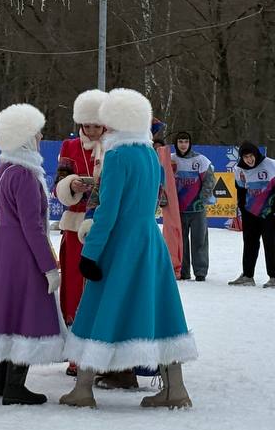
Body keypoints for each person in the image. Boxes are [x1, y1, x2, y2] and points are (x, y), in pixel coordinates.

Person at [61, 89, 198, 409]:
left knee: (98, 310)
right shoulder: (150, 154)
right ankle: (175, 388)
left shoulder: (118, 156)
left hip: (120, 244)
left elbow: (107, 210)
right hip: (150, 242)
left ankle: (83, 389)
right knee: (161, 311)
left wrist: (90, 252)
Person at [0, 103, 64, 405]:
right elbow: (33, 226)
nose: (40, 137)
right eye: (36, 133)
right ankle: (15, 385)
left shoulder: (7, 168)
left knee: (7, 308)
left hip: (5, 247)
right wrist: (49, 267)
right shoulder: (23, 174)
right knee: (26, 313)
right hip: (23, 252)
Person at [54, 90, 105, 326]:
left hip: (105, 224)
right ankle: (74, 337)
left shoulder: (114, 147)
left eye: (97, 125)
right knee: (74, 281)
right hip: (75, 225)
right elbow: (57, 185)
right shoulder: (70, 146)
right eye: (87, 125)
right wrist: (71, 185)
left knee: (102, 281)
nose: (92, 131)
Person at [230, 140, 275, 288]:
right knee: (249, 244)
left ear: (256, 154)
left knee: (269, 244)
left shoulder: (271, 166)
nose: (249, 160)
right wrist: (242, 208)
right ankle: (248, 275)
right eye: (245, 157)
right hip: (250, 212)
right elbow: (240, 191)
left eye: (251, 156)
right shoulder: (239, 170)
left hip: (268, 212)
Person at [172, 131, 215, 281]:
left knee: (199, 241)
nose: (183, 144)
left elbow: (209, 181)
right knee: (181, 242)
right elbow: (165, 181)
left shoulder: (201, 160)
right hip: (179, 210)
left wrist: (202, 201)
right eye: (180, 141)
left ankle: (200, 272)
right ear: (176, 144)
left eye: (185, 141)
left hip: (197, 209)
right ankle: (183, 272)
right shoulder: (171, 160)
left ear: (190, 143)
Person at [153, 119, 183, 277]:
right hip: (150, 198)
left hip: (166, 198)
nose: (157, 150)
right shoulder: (147, 159)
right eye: (155, 147)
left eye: (159, 147)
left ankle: (173, 263)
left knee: (172, 229)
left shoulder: (168, 161)